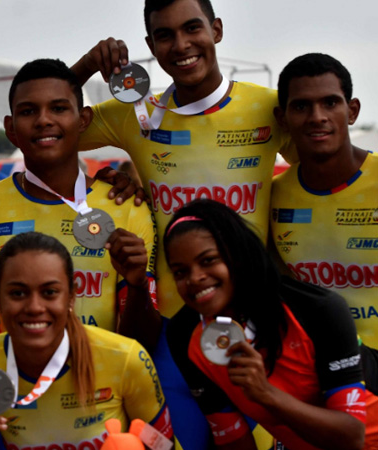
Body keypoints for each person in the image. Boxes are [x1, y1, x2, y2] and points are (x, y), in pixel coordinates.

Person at [70, 1, 296, 446]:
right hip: (175, 338)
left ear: (217, 30)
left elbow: (323, 169)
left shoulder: (269, 107)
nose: (182, 45)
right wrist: (82, 68)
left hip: (260, 333)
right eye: (165, 35)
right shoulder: (136, 115)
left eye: (192, 29)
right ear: (151, 46)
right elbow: (47, 119)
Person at [0, 59, 159, 345]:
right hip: (21, 387)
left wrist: (137, 286)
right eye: (28, 111)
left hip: (100, 387)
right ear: (11, 128)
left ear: (83, 120)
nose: (44, 120)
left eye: (58, 108)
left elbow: (145, 342)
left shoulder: (127, 207)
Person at [165, 199, 378, 449]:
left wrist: (266, 394)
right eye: (180, 272)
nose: (195, 278)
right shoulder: (183, 334)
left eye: (209, 260)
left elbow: (352, 437)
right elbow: (233, 438)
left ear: (238, 254)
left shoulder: (316, 309)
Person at [0, 232, 174, 448]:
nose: (35, 307)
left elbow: (165, 447)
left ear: (71, 296)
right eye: (18, 293)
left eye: (49, 292)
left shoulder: (124, 358)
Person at [270, 53, 378, 349]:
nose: (317, 116)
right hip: (315, 368)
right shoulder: (270, 198)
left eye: (330, 103)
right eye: (302, 106)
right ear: (283, 118)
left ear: (352, 111)